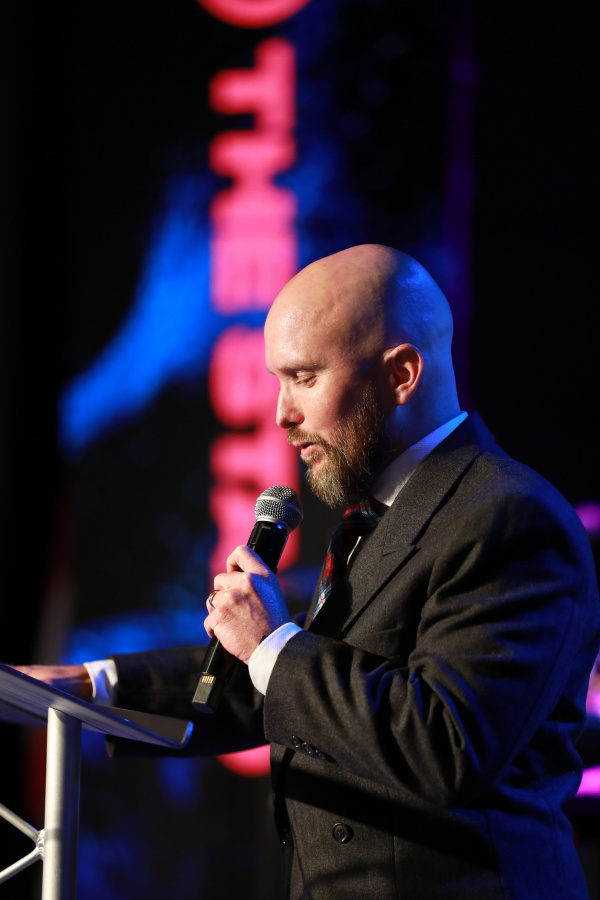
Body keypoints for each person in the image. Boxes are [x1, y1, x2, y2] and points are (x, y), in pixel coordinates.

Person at [15, 245, 600, 899]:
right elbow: (277, 691)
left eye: (304, 378)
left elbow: (446, 744)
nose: (281, 414)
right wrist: (92, 686)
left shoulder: (509, 516)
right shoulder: (378, 511)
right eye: (278, 380)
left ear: (402, 374)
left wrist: (272, 643)